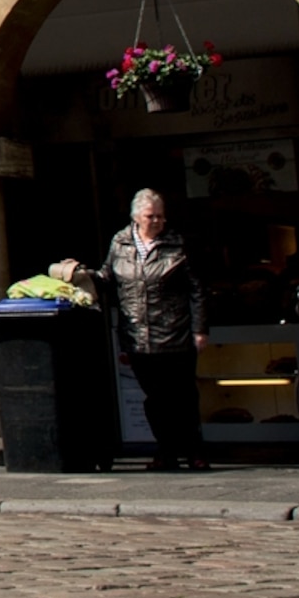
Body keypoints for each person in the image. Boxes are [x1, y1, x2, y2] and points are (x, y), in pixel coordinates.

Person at [83, 189, 208, 471]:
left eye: (161, 216)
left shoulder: (176, 244)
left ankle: (194, 451)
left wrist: (200, 330)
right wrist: (81, 276)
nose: (157, 221)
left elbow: (197, 289)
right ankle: (167, 451)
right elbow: (106, 277)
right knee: (156, 399)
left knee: (183, 397)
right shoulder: (121, 242)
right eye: (151, 216)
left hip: (175, 333)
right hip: (138, 336)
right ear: (136, 217)